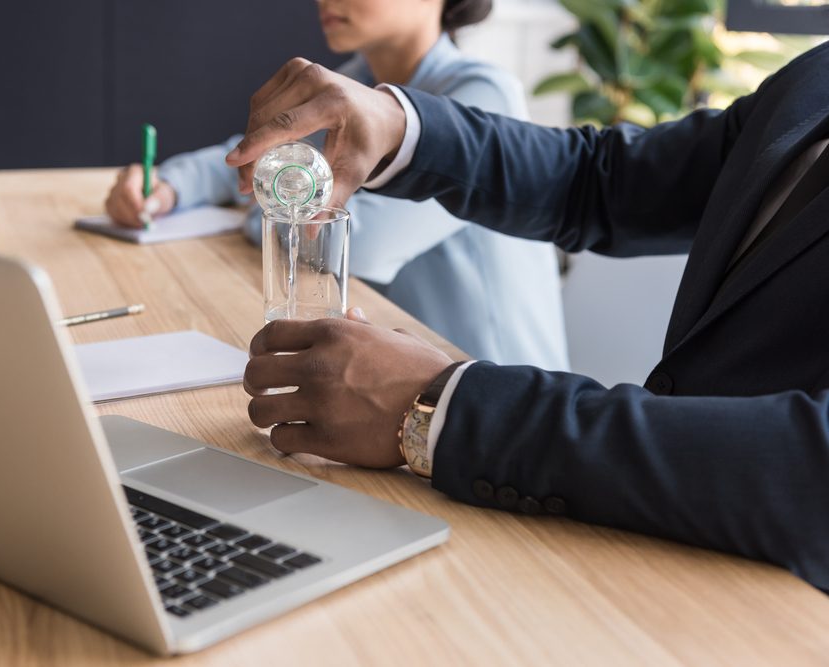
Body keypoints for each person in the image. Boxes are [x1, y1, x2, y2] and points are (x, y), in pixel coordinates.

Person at [225, 43, 829, 592]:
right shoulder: (817, 74)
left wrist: (445, 406)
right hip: (644, 557)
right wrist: (405, 127)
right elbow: (604, 181)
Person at [103, 0, 568, 368]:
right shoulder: (356, 82)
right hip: (396, 360)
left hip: (488, 387)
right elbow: (252, 153)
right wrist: (166, 186)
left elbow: (357, 246)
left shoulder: (484, 97)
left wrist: (267, 209)